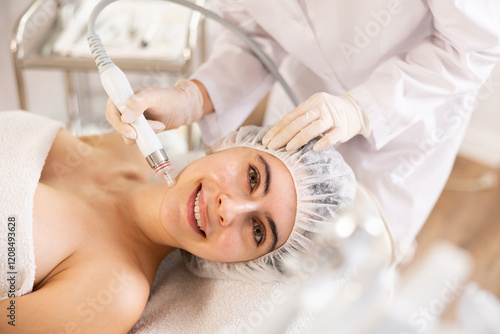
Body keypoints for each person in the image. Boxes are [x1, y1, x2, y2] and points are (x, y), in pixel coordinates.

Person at [106, 0, 500, 256]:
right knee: (286, 230)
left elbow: (474, 45)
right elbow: (255, 33)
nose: (228, 207)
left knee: (364, 253)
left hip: (409, 111)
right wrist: (195, 96)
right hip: (305, 95)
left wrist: (364, 109)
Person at [0, 111, 355, 333]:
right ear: (229, 145)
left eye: (258, 230)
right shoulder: (123, 144)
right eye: (252, 177)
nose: (228, 210)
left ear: (247, 265)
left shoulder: (114, 294)